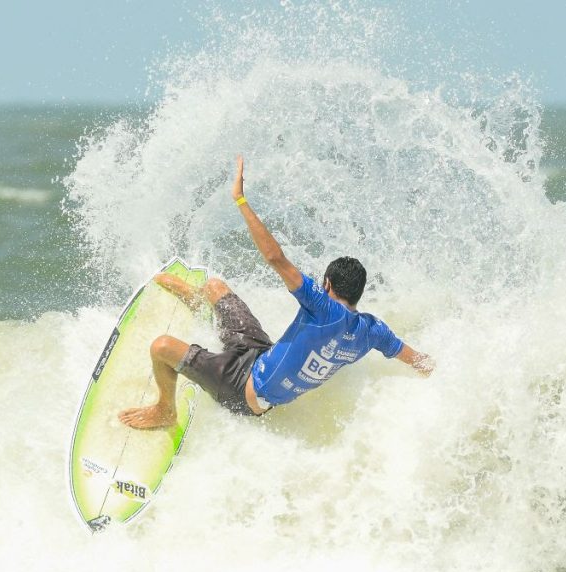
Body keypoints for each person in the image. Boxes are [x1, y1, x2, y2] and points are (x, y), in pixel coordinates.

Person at [118, 155, 433, 429]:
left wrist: (240, 200)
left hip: (240, 391)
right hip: (259, 356)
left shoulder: (324, 309)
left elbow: (275, 257)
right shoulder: (373, 331)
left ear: (327, 285)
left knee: (161, 347)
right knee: (215, 289)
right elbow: (418, 360)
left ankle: (164, 410)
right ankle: (200, 304)